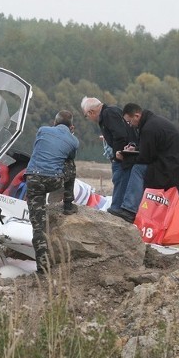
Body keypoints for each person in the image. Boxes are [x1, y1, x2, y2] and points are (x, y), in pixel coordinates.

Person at [122, 103, 179, 247]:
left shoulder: (148, 128)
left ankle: (128, 209)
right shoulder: (155, 122)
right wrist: (136, 148)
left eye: (129, 121)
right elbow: (152, 147)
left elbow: (146, 158)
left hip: (174, 168)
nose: (130, 124)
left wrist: (126, 156)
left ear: (137, 116)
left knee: (138, 169)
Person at [25, 110, 79, 273]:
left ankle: (42, 268)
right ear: (72, 127)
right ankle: (68, 205)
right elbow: (69, 157)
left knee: (38, 227)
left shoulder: (42, 130)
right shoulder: (73, 140)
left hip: (33, 178)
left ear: (53, 123)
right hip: (53, 180)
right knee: (71, 165)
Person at [80, 97, 146, 223]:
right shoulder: (109, 113)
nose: (88, 119)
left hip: (124, 158)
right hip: (127, 155)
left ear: (91, 112)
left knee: (120, 180)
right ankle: (118, 210)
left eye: (86, 116)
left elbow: (120, 135)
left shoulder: (108, 114)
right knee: (120, 181)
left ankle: (117, 211)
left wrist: (118, 153)